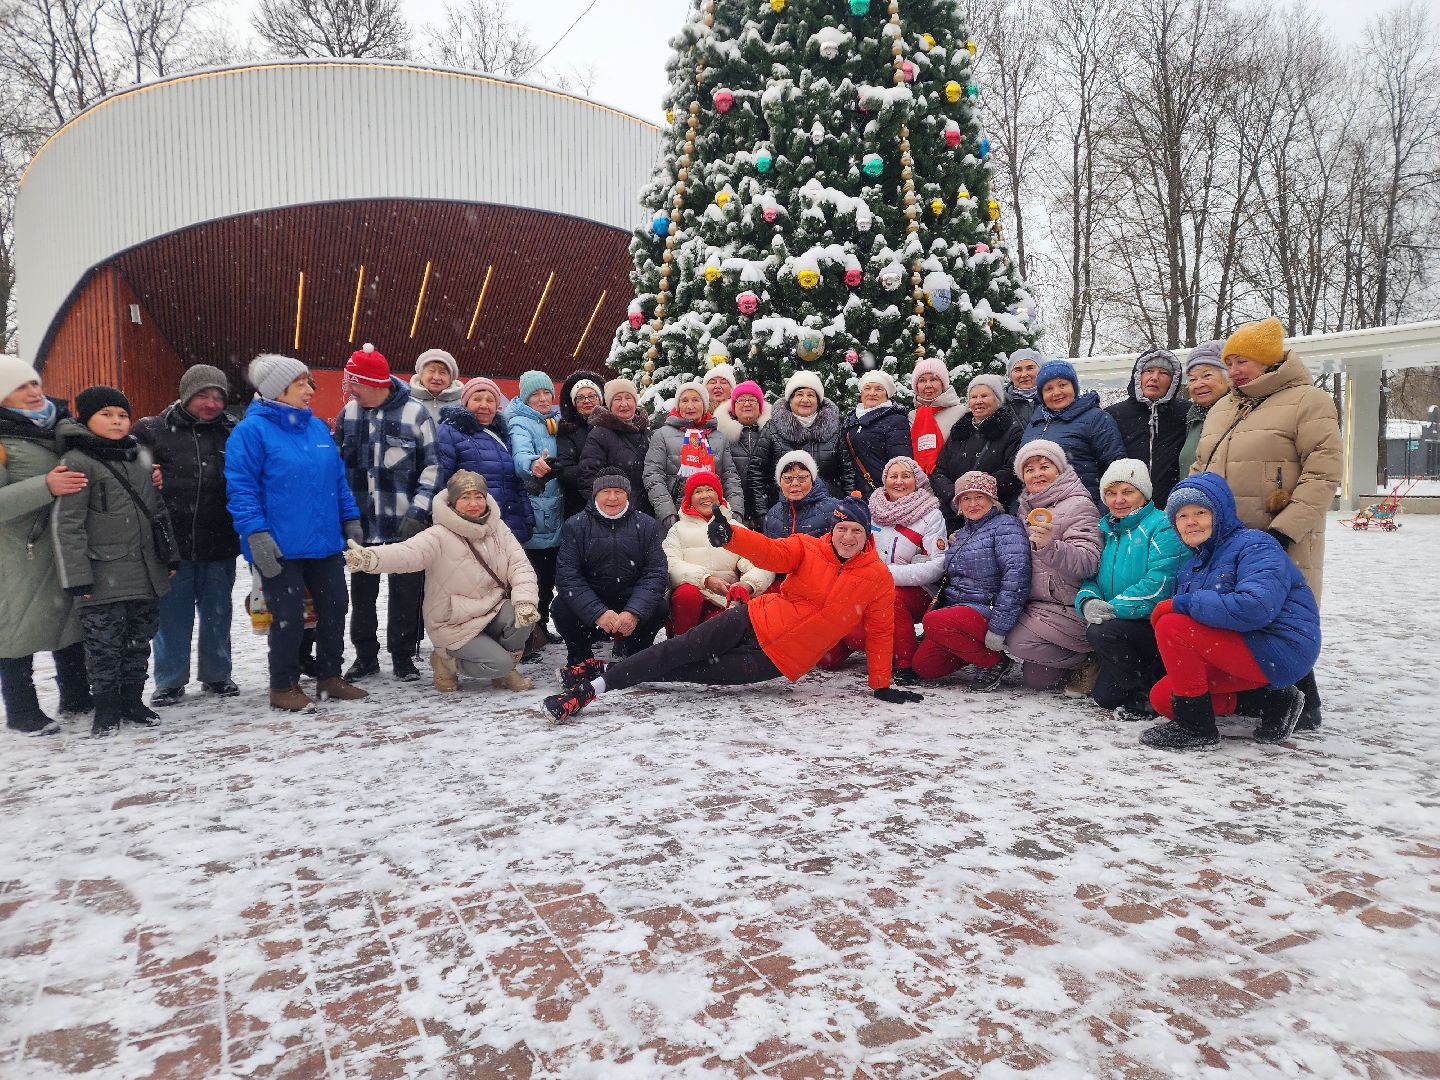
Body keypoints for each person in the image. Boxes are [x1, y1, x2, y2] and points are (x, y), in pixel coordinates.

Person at [544, 493, 923, 722]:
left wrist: (881, 684)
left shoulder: (877, 577)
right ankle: (591, 689)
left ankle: (607, 668)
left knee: (687, 672)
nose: (848, 536)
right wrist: (732, 536)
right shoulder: (808, 547)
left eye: (857, 530)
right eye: (842, 528)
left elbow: (881, 631)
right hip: (753, 619)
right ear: (833, 529)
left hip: (778, 661)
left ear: (866, 535)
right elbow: (770, 551)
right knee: (676, 649)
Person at [1193, 317, 1340, 731]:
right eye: (1232, 361)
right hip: (1225, 534)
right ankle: (1262, 694)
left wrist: (1285, 529)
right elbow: (1202, 465)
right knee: (1236, 606)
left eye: (1246, 360)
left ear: (1271, 360)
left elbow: (1322, 474)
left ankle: (1302, 701)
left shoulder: (1309, 401)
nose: (1236, 369)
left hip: (1279, 530)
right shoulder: (1224, 406)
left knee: (1280, 609)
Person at [227, 354, 367, 711]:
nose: (310, 390)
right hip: (280, 544)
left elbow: (337, 480)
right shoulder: (250, 431)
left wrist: (350, 518)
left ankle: (329, 677)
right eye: (301, 383)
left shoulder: (317, 428)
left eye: (308, 382)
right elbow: (242, 489)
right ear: (277, 389)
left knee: (336, 606)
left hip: (324, 542)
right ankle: (283, 685)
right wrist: (255, 534)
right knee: (289, 616)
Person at [1140, 473, 1319, 751]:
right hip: (1242, 646)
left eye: (1200, 512)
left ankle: (1197, 730)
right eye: (1182, 516)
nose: (1191, 522)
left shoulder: (1255, 545)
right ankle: (1274, 703)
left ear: (1219, 513)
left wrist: (1181, 604)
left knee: (1172, 623)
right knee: (1163, 698)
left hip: (1280, 646)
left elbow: (1257, 607)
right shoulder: (1194, 563)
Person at [51, 387, 178, 737]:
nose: (117, 421)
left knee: (139, 641)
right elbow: (68, 525)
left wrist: (169, 556)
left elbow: (158, 513)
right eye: (106, 414)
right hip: (101, 572)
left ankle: (132, 700)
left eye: (122, 415)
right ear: (86, 419)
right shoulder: (77, 462)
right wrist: (77, 577)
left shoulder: (138, 457)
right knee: (104, 646)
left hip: (145, 571)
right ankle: (105, 706)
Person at [344, 471, 540, 693]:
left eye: (478, 496)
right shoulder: (438, 535)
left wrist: (525, 602)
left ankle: (505, 673)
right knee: (498, 662)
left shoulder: (498, 529)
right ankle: (447, 663)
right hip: (454, 621)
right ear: (453, 502)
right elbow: (407, 553)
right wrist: (371, 559)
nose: (473, 503)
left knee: (523, 618)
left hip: (492, 609)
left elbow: (520, 566)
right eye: (465, 498)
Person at [133, 365, 241, 707]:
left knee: (217, 612)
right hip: (172, 543)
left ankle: (217, 675)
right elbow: (124, 469)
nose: (211, 403)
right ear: (185, 394)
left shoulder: (232, 432)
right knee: (172, 616)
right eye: (202, 395)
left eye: (218, 397)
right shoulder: (151, 430)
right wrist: (145, 474)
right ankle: (169, 681)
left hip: (220, 540)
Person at [335, 343, 439, 683]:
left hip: (404, 524)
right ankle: (365, 655)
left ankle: (403, 655)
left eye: (356, 384)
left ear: (376, 384)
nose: (351, 390)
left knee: (406, 594)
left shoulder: (415, 414)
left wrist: (418, 510)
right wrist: (344, 517)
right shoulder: (348, 415)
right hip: (361, 526)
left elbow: (432, 467)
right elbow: (337, 469)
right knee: (361, 595)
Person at [0, 359, 91, 734]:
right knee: (16, 632)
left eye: (35, 383)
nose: (35, 392)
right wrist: (45, 487)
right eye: (22, 387)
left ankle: (76, 696)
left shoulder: (62, 427)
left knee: (68, 623)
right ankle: (22, 712)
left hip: (63, 544)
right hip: (18, 553)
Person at [1075, 460, 1186, 720]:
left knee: (1101, 631)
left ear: (1144, 494)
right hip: (1125, 627)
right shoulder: (1108, 531)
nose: (1119, 500)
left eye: (1128, 492)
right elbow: (1090, 579)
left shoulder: (1161, 526)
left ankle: (1147, 694)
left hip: (1154, 624)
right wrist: (1088, 602)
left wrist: (1113, 608)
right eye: (1111, 493)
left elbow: (1160, 584)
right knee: (1106, 698)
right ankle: (1147, 681)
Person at [822, 456, 945, 681]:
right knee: (828, 656)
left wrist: (885, 575)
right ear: (884, 479)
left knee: (890, 597)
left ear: (916, 481)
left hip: (915, 591)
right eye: (893, 476)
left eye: (906, 476)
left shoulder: (930, 515)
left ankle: (904, 661)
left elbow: (938, 566)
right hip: (866, 585)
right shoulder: (871, 509)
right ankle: (852, 645)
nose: (898, 481)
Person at [908, 472, 1031, 690]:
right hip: (957, 611)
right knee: (924, 666)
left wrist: (999, 627)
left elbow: (1016, 575)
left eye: (979, 497)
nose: (972, 504)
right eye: (966, 498)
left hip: (988, 609)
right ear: (958, 503)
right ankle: (978, 653)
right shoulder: (963, 533)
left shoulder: (1005, 526)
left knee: (934, 621)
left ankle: (996, 661)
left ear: (992, 499)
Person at [1004, 439, 1104, 690]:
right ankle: (1077, 660)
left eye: (1044, 466)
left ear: (1059, 469)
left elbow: (1089, 562)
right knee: (1037, 680)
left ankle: (1092, 657)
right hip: (1038, 604)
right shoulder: (1026, 508)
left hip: (1069, 605)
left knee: (1015, 641)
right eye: (1029, 469)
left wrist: (1051, 547)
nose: (1037, 474)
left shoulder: (1079, 504)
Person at [551, 471, 669, 678]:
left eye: (618, 491)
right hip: (592, 601)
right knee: (561, 607)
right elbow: (568, 576)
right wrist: (597, 612)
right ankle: (581, 658)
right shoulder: (576, 525)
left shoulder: (647, 524)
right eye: (606, 491)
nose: (612, 498)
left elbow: (655, 573)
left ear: (628, 495)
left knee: (659, 606)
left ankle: (635, 653)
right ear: (595, 495)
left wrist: (633, 612)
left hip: (630, 600)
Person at [662, 470, 774, 636]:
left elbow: (762, 561)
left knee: (715, 637)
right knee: (686, 594)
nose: (705, 496)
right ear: (690, 499)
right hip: (691, 603)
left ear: (719, 495)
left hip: (725, 601)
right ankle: (680, 646)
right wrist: (705, 580)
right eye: (698, 492)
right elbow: (670, 564)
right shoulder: (677, 530)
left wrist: (747, 585)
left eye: (710, 490)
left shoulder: (735, 528)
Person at [506, 370, 567, 659]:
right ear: (525, 397)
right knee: (532, 578)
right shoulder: (520, 421)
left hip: (555, 508)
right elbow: (521, 453)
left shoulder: (553, 420)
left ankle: (540, 627)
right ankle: (525, 637)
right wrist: (533, 463)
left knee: (549, 577)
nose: (543, 399)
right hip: (536, 508)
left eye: (546, 393)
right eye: (536, 394)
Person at [435, 377, 533, 544]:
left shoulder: (503, 435)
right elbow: (440, 481)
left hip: (508, 525)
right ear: (465, 402)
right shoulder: (449, 431)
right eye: (477, 399)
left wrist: (527, 518)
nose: (484, 405)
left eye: (490, 400)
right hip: (470, 525)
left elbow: (515, 483)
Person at [643, 380, 743, 535]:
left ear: (704, 405)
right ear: (678, 406)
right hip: (676, 515)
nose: (690, 406)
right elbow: (653, 475)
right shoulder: (662, 435)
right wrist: (668, 513)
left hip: (714, 513)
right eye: (684, 401)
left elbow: (730, 477)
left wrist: (735, 510)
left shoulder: (719, 438)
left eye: (696, 400)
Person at [747, 371, 852, 518]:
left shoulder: (835, 429)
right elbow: (756, 472)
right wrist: (762, 515)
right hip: (782, 514)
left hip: (828, 513)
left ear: (818, 400)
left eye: (811, 395)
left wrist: (847, 509)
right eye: (799, 394)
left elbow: (848, 473)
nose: (805, 399)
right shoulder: (772, 428)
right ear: (790, 400)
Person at [1022, 359, 1126, 503]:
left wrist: (1105, 509)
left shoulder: (1096, 418)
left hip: (1083, 507)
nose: (1056, 392)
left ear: (1074, 387)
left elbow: (1116, 466)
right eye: (1048, 389)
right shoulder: (1035, 423)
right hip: (1040, 511)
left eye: (1062, 385)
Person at [931, 374, 1024, 529]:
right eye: (973, 397)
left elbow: (1012, 472)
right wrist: (956, 496)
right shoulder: (959, 431)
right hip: (955, 516)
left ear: (997, 399)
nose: (978, 401)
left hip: (993, 515)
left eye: (984, 395)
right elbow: (939, 471)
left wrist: (977, 494)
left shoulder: (1011, 431)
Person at [1105, 348, 1189, 508]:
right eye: (1148, 371)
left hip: (1173, 507)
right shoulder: (1114, 414)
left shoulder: (1186, 413)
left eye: (1163, 373)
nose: (1154, 377)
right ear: (1138, 376)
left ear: (1174, 380)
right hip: (1125, 506)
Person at [578, 378, 653, 516]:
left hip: (646, 513)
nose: (624, 404)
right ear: (610, 404)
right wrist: (608, 508)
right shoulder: (599, 434)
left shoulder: (646, 432)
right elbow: (587, 477)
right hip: (614, 513)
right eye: (617, 399)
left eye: (628, 398)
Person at [842, 370, 912, 498]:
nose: (872, 393)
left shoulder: (895, 419)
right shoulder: (850, 421)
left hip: (885, 493)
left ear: (887, 394)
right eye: (867, 388)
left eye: (879, 389)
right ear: (861, 393)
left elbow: (901, 463)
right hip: (857, 494)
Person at [714, 380, 770, 526]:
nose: (747, 404)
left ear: (760, 406)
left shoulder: (772, 433)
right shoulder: (720, 434)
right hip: (732, 510)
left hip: (768, 510)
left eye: (752, 400)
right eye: (741, 400)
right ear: (733, 407)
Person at [555, 370, 605, 519]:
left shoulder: (613, 425)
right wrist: (600, 476)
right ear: (574, 403)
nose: (586, 401)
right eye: (580, 398)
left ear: (601, 399)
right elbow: (566, 470)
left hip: (614, 500)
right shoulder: (567, 430)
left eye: (592, 396)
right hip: (579, 505)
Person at [762, 451, 841, 539]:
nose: (795, 483)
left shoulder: (835, 510)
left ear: (812, 479)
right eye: (788, 478)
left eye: (802, 478)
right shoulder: (772, 515)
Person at [907, 357, 965, 475]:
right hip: (918, 482)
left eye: (933, 379)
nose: (928, 385)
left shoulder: (961, 412)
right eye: (922, 381)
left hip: (951, 479)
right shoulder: (912, 416)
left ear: (943, 383)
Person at [1178, 341, 1226, 478]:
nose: (1198, 384)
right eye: (1192, 379)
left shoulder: (1241, 412)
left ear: (1227, 377)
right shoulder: (1194, 415)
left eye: (1207, 376)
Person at [410, 348, 464, 423]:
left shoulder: (462, 403)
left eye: (442, 372)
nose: (436, 377)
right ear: (421, 375)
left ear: (451, 378)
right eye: (431, 371)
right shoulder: (407, 399)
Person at [1004, 348, 1044, 428]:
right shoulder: (1000, 403)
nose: (1024, 374)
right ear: (1010, 375)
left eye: (1030, 368)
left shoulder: (1054, 400)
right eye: (1018, 370)